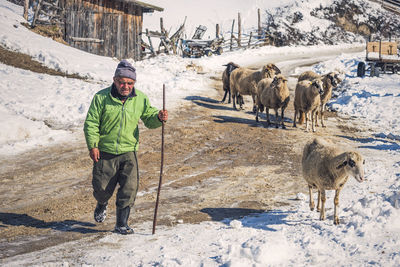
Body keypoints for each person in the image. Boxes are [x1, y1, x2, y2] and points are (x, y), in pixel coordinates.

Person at [83, 59, 168, 235]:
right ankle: (102, 203)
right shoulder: (101, 97)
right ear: (115, 80)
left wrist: (158, 117)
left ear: (134, 83)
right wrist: (93, 145)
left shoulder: (140, 98)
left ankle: (121, 224)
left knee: (129, 188)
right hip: (105, 151)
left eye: (130, 83)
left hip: (129, 151)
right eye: (122, 82)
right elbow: (91, 123)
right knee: (101, 188)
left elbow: (149, 118)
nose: (126, 86)